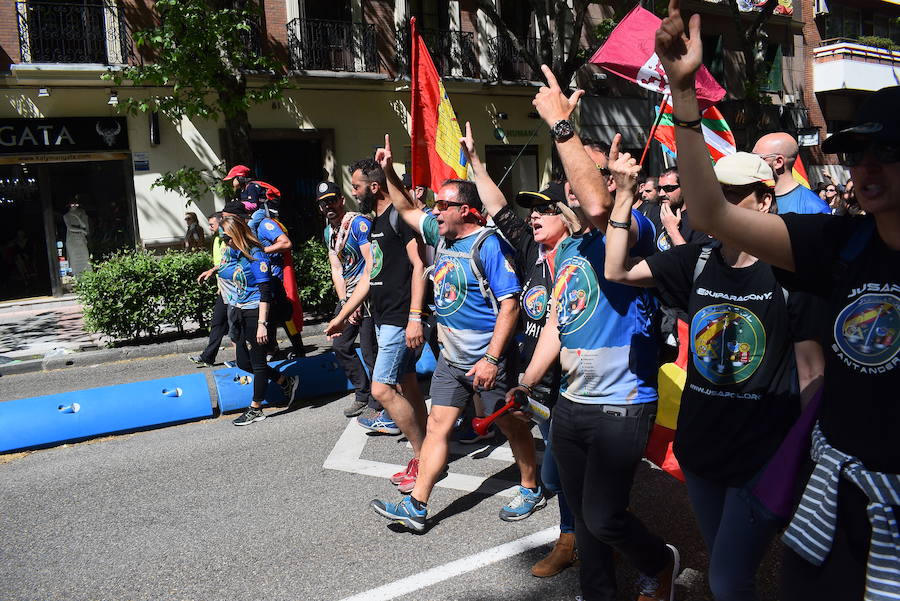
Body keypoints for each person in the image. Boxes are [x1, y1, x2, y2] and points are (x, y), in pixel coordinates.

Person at [654, 4, 899, 598]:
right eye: (857, 152)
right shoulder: (841, 242)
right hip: (836, 493)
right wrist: (683, 95)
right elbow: (712, 213)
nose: (866, 166)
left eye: (887, 152)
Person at [605, 150, 824, 601]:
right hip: (700, 451)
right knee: (728, 572)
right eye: (713, 194)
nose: (717, 204)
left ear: (764, 201)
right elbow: (616, 270)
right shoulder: (697, 260)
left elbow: (811, 371)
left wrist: (813, 459)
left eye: (733, 195)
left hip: (761, 458)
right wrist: (624, 196)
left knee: (726, 579)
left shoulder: (791, 271)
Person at [513, 66, 678, 601]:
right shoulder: (569, 252)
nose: (573, 183)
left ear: (616, 181)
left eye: (591, 172)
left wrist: (562, 124)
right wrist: (526, 379)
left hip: (623, 403)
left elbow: (602, 207)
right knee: (583, 515)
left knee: (605, 517)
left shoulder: (637, 229)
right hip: (572, 402)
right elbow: (560, 327)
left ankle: (659, 561)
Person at [370, 134, 539, 531]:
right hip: (452, 359)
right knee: (438, 428)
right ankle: (417, 505)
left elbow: (510, 306)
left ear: (466, 210)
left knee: (511, 424)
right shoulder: (440, 235)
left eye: (443, 205)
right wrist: (388, 171)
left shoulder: (488, 246)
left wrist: (492, 361)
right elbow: (407, 208)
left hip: (488, 362)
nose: (435, 210)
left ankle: (531, 486)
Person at [460, 121, 580, 577]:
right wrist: (475, 162)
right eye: (533, 212)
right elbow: (497, 206)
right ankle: (579, 517)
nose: (533, 217)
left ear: (566, 218)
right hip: (531, 382)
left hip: (566, 383)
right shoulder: (530, 249)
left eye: (545, 212)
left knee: (562, 473)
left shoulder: (582, 257)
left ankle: (571, 537)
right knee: (557, 472)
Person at [326, 158, 428, 489]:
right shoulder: (374, 222)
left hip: (401, 316)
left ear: (373, 187)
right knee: (409, 385)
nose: (352, 193)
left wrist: (415, 316)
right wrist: (341, 316)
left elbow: (419, 265)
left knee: (381, 388)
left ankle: (423, 458)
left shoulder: (398, 217)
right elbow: (372, 275)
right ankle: (429, 453)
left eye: (355, 187)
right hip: (383, 317)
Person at [216, 215, 300, 426]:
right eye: (223, 239)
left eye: (227, 238)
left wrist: (263, 324)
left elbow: (265, 291)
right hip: (241, 310)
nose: (225, 243)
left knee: (258, 362)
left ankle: (256, 408)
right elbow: (226, 269)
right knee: (243, 362)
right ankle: (285, 381)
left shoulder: (256, 254)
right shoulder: (234, 252)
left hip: (257, 312)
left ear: (236, 234)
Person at [224, 165, 305, 359]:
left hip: (273, 278)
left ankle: (298, 350)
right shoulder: (243, 233)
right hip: (259, 282)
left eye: (230, 219)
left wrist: (260, 251)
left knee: (284, 316)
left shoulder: (264, 224)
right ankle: (272, 351)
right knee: (269, 317)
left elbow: (286, 243)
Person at [318, 181, 378, 418]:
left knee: (370, 351)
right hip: (349, 295)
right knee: (340, 345)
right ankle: (362, 392)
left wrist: (357, 301)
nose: (328, 206)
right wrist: (345, 303)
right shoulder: (329, 232)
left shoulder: (359, 224)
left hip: (368, 294)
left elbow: (370, 266)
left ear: (341, 200)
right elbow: (337, 269)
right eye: (323, 203)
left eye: (332, 200)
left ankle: (378, 398)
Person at [752, 133, 830, 215]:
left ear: (778, 162)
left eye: (757, 158)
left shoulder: (815, 208)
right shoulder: (749, 197)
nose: (752, 162)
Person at [191, 212, 229, 367]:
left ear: (221, 224)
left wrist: (212, 271)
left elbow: (229, 261)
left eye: (212, 224)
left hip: (234, 289)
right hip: (224, 288)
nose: (209, 227)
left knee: (235, 326)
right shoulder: (216, 240)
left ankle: (263, 351)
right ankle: (208, 357)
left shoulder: (229, 240)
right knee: (218, 323)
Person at [656, 166, 708, 250]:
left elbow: (692, 260)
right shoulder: (658, 214)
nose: (661, 194)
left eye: (668, 188)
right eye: (659, 188)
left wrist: (672, 229)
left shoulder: (699, 221)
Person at [63, 197, 90, 275]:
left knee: (85, 257)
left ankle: (87, 274)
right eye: (72, 204)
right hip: (72, 239)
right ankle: (75, 274)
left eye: (76, 204)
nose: (74, 206)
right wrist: (81, 230)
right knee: (74, 258)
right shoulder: (66, 216)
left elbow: (84, 226)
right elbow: (70, 228)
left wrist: (77, 217)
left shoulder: (82, 213)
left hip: (81, 239)